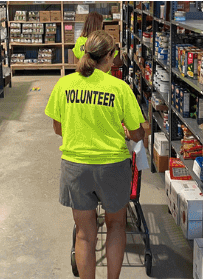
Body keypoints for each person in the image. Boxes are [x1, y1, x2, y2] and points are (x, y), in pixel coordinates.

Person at [43, 31, 147, 279]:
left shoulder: (65, 84)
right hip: (112, 167)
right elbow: (137, 134)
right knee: (116, 226)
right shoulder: (119, 88)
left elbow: (59, 128)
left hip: (75, 167)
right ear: (109, 57)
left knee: (84, 233)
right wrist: (121, 131)